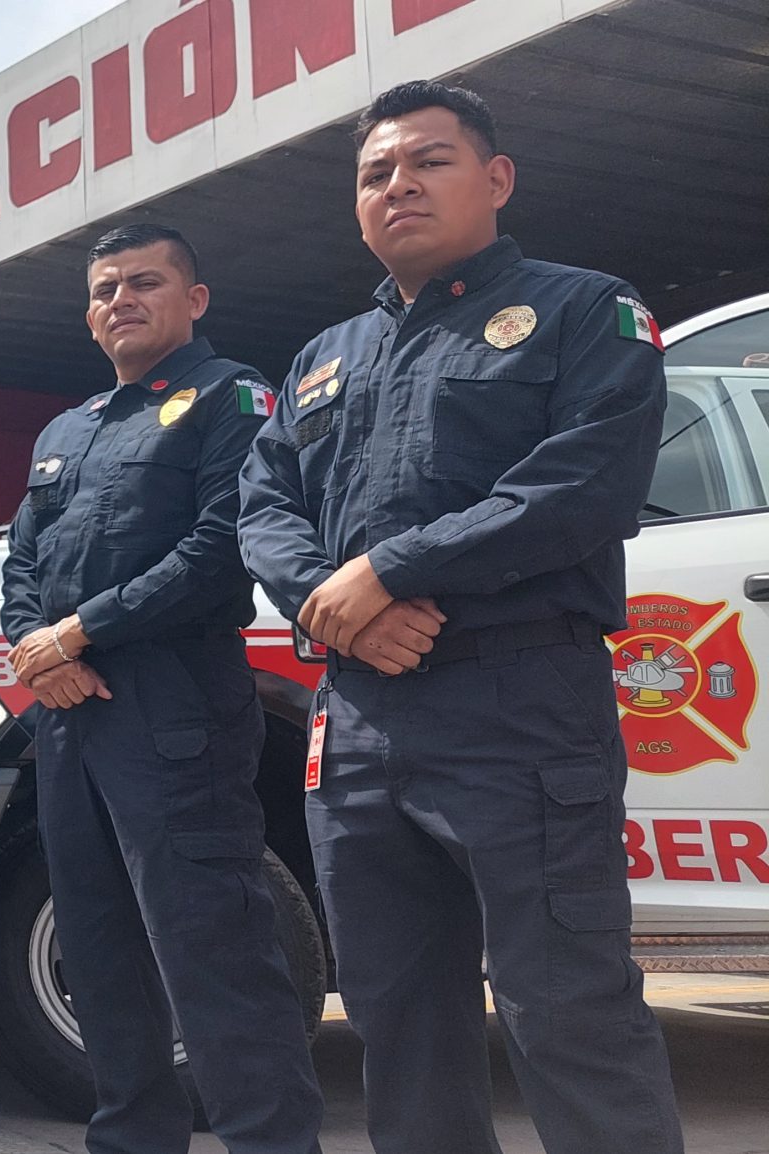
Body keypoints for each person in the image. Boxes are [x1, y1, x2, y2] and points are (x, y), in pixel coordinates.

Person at [237, 81, 683, 1154]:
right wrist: (335, 608)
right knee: (397, 1020)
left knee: (567, 1010)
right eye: (375, 173)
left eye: (428, 161)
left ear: (496, 178)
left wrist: (388, 570)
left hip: (519, 706)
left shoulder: (585, 311)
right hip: (358, 718)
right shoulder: (323, 356)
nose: (398, 185)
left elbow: (585, 481)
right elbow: (262, 503)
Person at [1, 223, 323, 1153]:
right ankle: (131, 1136)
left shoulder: (232, 397)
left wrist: (79, 632)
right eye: (105, 289)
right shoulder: (68, 429)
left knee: (213, 947)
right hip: (68, 715)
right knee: (97, 948)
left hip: (175, 703)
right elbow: (23, 559)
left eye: (144, 282)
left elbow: (221, 545)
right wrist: (37, 649)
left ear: (195, 299)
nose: (121, 301)